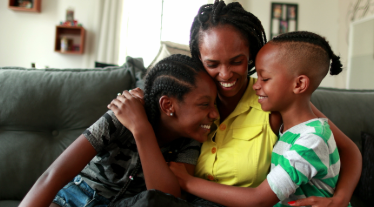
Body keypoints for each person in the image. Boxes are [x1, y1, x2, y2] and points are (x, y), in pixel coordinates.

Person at [169, 1, 361, 206]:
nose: (225, 74)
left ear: (250, 54)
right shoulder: (189, 103)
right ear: (199, 58)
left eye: (236, 61)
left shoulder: (276, 101)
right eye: (212, 64)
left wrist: (340, 199)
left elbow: (348, 150)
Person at [18, 54, 219, 207]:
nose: (215, 114)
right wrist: (136, 123)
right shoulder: (121, 116)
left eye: (215, 104)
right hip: (74, 199)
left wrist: (141, 130)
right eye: (204, 105)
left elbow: (165, 200)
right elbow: (54, 175)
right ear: (168, 105)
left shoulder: (191, 140)